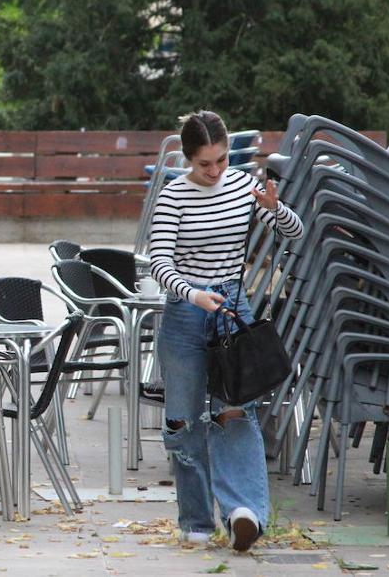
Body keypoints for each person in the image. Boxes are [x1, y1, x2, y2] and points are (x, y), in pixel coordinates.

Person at [148, 111, 304, 552]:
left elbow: (295, 231)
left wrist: (276, 210)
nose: (214, 172)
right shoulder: (173, 196)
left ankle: (244, 513)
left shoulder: (241, 185)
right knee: (183, 421)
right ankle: (196, 520)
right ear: (187, 159)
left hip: (233, 308)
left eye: (220, 161)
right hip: (185, 310)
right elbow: (159, 262)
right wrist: (192, 293)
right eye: (204, 164)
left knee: (233, 410)